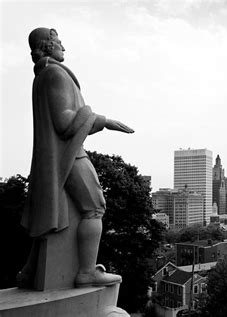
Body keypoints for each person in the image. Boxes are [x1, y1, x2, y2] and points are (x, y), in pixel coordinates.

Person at [18, 27, 134, 288]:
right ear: (48, 46)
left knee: (51, 215)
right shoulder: (54, 74)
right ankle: (86, 272)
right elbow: (65, 122)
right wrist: (103, 120)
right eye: (59, 42)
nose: (63, 48)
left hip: (54, 157)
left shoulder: (43, 76)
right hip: (69, 156)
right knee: (95, 207)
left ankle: (31, 270)